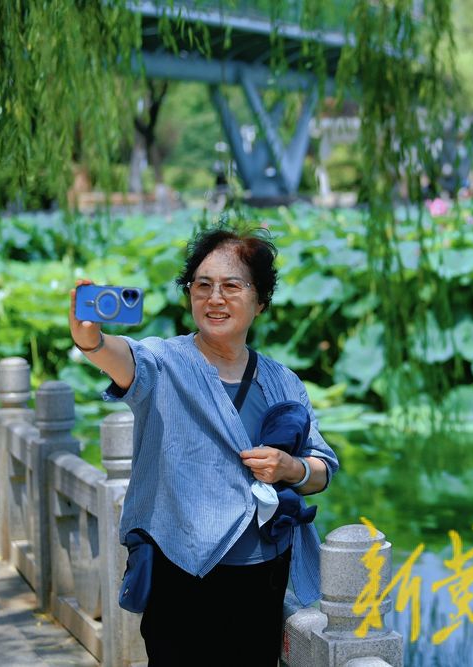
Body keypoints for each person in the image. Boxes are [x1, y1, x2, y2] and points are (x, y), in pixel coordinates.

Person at [68, 226, 339, 666]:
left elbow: (323, 467)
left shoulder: (282, 381)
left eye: (232, 286)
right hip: (181, 570)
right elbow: (120, 357)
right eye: (203, 286)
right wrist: (90, 340)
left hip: (262, 574)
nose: (215, 298)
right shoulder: (162, 361)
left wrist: (292, 468)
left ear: (261, 300)